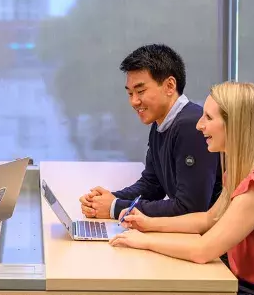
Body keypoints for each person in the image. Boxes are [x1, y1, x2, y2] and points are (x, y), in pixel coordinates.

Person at [110, 82, 254, 295]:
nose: (199, 125)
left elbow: (202, 251)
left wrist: (144, 241)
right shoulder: (243, 171)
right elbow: (209, 219)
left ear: (235, 125)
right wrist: (149, 224)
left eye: (208, 117)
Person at [80, 44, 222, 220]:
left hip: (214, 242)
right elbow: (152, 185)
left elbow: (190, 207)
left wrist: (115, 208)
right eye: (130, 93)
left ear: (170, 86)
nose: (134, 101)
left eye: (140, 91)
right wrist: (109, 199)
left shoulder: (190, 126)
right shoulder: (161, 123)